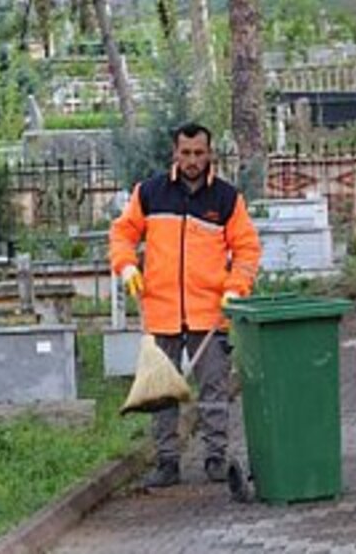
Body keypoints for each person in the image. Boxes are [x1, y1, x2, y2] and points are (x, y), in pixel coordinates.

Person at [109, 122, 262, 487]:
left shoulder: (226, 199)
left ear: (209, 154)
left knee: (214, 390)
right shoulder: (150, 193)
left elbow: (247, 249)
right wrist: (127, 266)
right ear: (175, 153)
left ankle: (215, 458)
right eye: (186, 153)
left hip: (209, 312)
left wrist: (235, 289)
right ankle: (167, 462)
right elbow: (122, 233)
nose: (192, 160)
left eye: (199, 153)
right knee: (161, 392)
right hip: (161, 310)